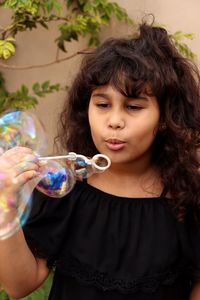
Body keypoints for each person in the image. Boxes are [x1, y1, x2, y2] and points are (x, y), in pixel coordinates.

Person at [0, 21, 200, 300]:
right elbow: (19, 285)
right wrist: (6, 205)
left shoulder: (187, 197)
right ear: (86, 110)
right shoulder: (65, 187)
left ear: (166, 118)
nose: (114, 122)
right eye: (102, 104)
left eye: (133, 107)